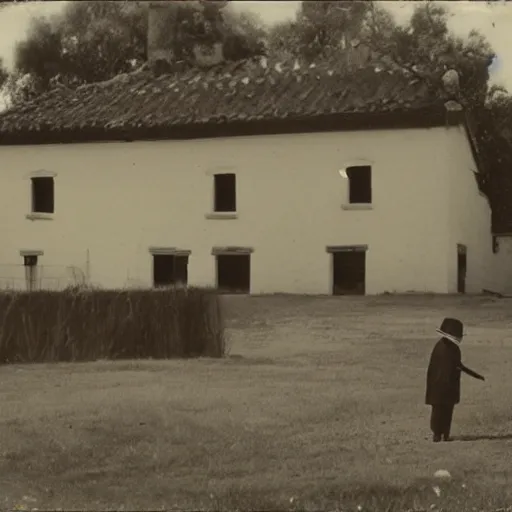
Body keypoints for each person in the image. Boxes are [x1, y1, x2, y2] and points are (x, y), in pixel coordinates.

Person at [425, 317, 485, 442]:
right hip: (443, 386)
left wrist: (475, 375)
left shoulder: (444, 347)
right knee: (442, 411)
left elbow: (457, 365)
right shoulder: (447, 348)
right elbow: (454, 366)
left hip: (443, 386)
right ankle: (439, 434)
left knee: (442, 411)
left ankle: (442, 434)